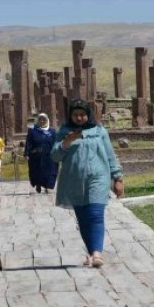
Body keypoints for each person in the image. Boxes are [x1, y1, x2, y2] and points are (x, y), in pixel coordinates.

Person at [51, 99, 124, 268]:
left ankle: (97, 252)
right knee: (83, 218)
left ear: (88, 115)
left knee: (95, 214)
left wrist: (118, 178)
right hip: (73, 180)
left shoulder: (99, 131)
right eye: (75, 115)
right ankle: (92, 253)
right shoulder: (64, 132)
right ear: (70, 116)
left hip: (98, 178)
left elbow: (110, 155)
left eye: (82, 114)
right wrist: (66, 142)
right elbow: (55, 156)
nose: (79, 118)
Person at [24, 113, 59, 194]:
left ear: (47, 120)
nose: (42, 121)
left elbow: (56, 143)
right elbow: (28, 142)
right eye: (40, 119)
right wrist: (26, 154)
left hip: (49, 155)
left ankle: (48, 186)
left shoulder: (52, 131)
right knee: (37, 171)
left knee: (50, 171)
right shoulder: (33, 130)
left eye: (44, 119)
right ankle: (38, 184)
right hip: (36, 155)